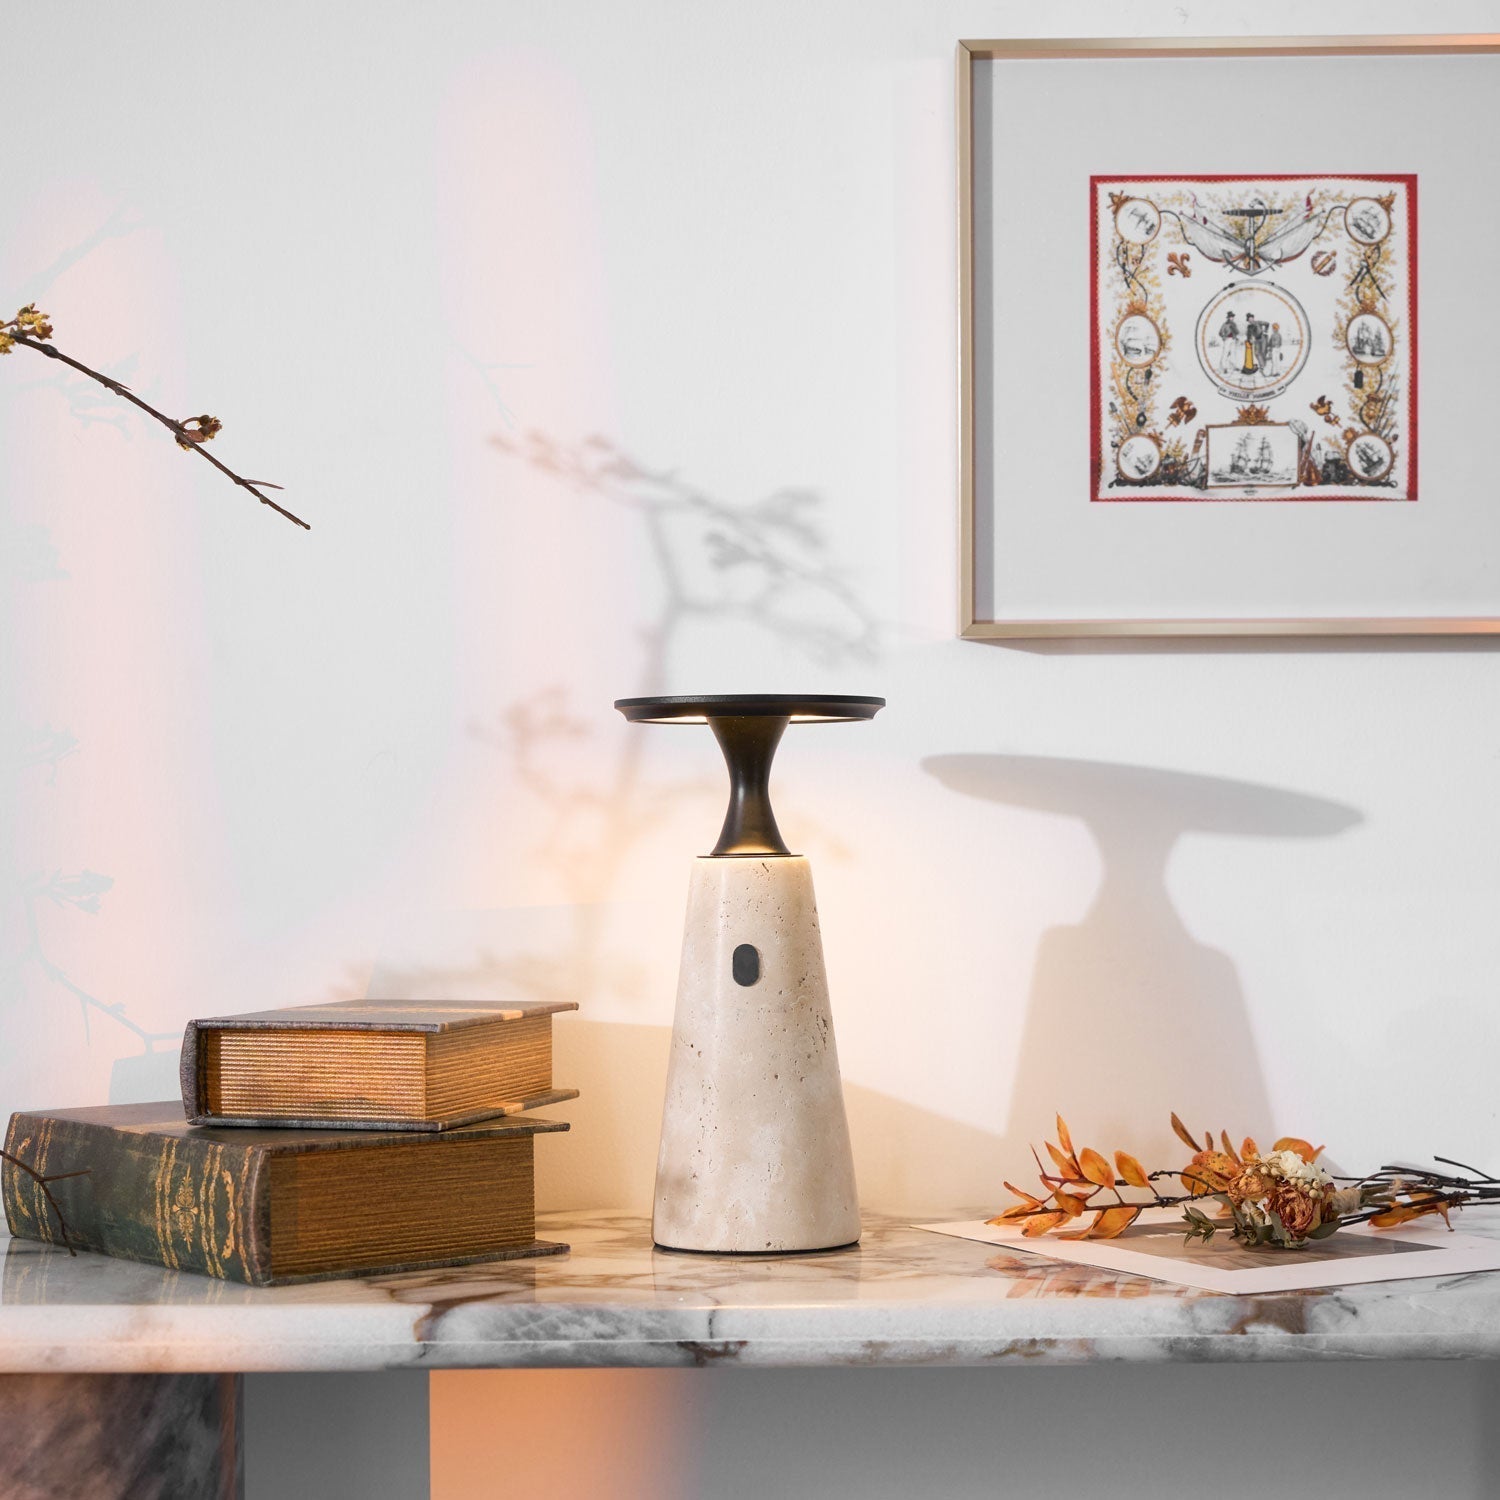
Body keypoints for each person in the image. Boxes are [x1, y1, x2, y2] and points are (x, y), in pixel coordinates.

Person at [1218, 309, 1241, 375]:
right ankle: (1224, 368)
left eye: (1232, 317)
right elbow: (1220, 332)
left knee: (1233, 353)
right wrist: (1224, 337)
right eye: (1230, 317)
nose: (1232, 318)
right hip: (1227, 340)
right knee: (1225, 353)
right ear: (1228, 317)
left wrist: (1234, 328)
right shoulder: (1225, 324)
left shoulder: (1234, 324)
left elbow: (1237, 332)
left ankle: (1234, 366)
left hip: (1233, 339)